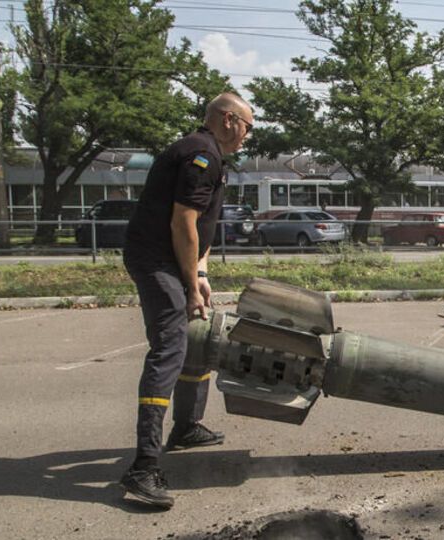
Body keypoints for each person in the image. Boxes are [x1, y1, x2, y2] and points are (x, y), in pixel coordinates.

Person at [119, 93, 254, 509]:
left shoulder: (210, 154)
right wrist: (191, 283)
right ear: (229, 120)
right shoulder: (201, 155)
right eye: (248, 127)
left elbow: (204, 225)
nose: (248, 135)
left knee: (197, 333)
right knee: (170, 348)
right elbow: (184, 222)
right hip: (157, 260)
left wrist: (201, 274)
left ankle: (187, 426)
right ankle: (143, 467)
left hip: (172, 260)